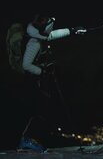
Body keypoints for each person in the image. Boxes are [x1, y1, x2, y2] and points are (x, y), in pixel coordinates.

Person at [17, 13, 86, 152]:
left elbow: (53, 35)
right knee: (40, 110)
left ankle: (30, 140)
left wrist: (72, 30)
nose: (52, 27)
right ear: (45, 27)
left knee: (42, 110)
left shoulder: (38, 35)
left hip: (37, 81)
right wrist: (42, 71)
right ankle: (27, 140)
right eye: (50, 25)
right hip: (33, 81)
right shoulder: (34, 42)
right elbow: (26, 65)